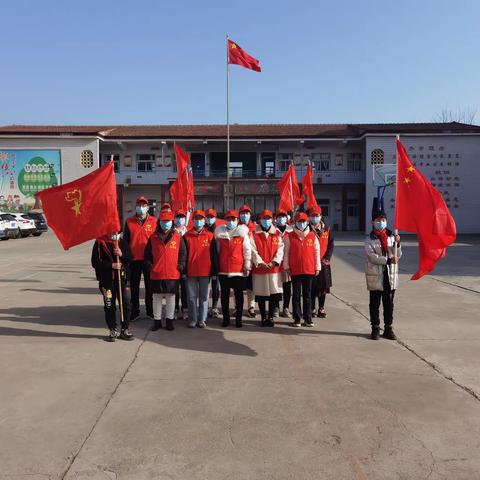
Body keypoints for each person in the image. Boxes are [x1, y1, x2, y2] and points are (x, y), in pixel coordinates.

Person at [144, 210, 187, 331]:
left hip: (172, 273)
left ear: (172, 222)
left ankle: (169, 321)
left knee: (170, 298)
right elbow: (147, 254)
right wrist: (149, 265)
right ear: (159, 222)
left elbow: (183, 253)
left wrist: (181, 266)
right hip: (156, 273)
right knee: (156, 298)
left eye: (168, 221)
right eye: (163, 221)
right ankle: (157, 321)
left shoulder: (178, 237)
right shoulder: (153, 237)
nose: (166, 223)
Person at [365, 210, 402, 340]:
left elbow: (397, 255)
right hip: (376, 275)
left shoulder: (392, 236)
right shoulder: (370, 239)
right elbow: (371, 257)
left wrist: (398, 244)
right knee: (374, 304)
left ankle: (388, 328)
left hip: (390, 275)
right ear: (373, 222)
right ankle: (375, 328)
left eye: (383, 220)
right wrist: (387, 260)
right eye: (378, 220)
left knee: (389, 304)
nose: (381, 223)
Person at [91, 232, 134, 342]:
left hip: (122, 280)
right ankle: (112, 329)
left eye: (117, 231)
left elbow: (130, 258)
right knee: (109, 305)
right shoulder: (100, 243)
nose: (114, 234)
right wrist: (111, 265)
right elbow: (95, 262)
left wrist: (121, 255)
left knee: (126, 304)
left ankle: (125, 329)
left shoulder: (122, 242)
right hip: (107, 281)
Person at [215, 209, 252, 328]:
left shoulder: (242, 234)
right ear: (225, 220)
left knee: (239, 295)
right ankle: (226, 319)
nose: (231, 221)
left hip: (238, 270)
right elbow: (217, 251)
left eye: (233, 219)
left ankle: (238, 319)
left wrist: (247, 265)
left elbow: (247, 251)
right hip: (224, 270)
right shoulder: (219, 234)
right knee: (224, 296)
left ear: (237, 220)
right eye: (228, 219)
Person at [283, 212, 321, 327]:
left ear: (307, 222)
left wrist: (317, 267)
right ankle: (297, 318)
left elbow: (316, 252)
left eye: (304, 221)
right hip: (295, 270)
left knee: (308, 295)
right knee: (296, 295)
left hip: (309, 269)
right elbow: (286, 253)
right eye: (299, 221)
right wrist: (286, 266)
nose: (302, 223)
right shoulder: (290, 236)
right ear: (295, 222)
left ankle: (308, 318)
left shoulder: (312, 236)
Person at [123, 196, 157, 321]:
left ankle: (150, 311)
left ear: (148, 207)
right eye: (139, 205)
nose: (141, 208)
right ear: (135, 207)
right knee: (134, 287)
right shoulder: (129, 222)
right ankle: (135, 311)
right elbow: (125, 242)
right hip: (134, 260)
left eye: (144, 205)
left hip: (149, 260)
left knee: (150, 287)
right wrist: (126, 258)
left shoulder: (154, 221)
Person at [184, 210, 219, 328]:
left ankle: (202, 319)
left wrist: (214, 271)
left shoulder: (209, 236)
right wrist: (183, 271)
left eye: (201, 219)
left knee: (204, 297)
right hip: (191, 271)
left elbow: (214, 255)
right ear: (193, 220)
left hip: (205, 271)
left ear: (204, 221)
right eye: (196, 219)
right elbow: (183, 255)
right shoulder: (186, 236)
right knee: (192, 297)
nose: (198, 221)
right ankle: (193, 319)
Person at [250, 210, 284, 327]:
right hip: (260, 269)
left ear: (272, 219)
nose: (266, 220)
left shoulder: (277, 234)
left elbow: (280, 249)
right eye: (264, 218)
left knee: (273, 295)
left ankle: (270, 317)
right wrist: (260, 262)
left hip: (273, 270)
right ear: (260, 219)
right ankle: (263, 317)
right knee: (261, 295)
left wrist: (274, 261)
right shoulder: (254, 234)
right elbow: (252, 250)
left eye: (268, 218)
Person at [308, 206, 334, 318]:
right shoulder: (307, 229)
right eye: (313, 216)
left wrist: (327, 258)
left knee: (323, 287)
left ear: (321, 216)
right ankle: (312, 308)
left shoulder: (326, 229)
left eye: (317, 216)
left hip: (324, 263)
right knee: (312, 287)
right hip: (312, 263)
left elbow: (331, 245)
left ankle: (321, 308)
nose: (315, 218)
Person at [274, 209, 293, 318]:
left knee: (287, 286)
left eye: (283, 217)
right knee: (276, 286)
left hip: (287, 263)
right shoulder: (273, 231)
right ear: (276, 218)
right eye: (279, 217)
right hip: (276, 263)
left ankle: (285, 307)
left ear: (287, 218)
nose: (281, 219)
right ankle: (276, 307)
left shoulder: (291, 230)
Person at [239, 204, 256, 318]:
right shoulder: (236, 227)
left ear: (250, 215)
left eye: (247, 213)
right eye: (242, 213)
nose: (245, 215)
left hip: (252, 261)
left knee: (251, 286)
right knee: (238, 286)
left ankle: (251, 307)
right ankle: (237, 307)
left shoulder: (255, 228)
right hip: (239, 261)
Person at [205, 208, 221, 319]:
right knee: (205, 288)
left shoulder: (219, 231)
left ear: (215, 218)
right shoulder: (202, 229)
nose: (209, 219)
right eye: (208, 217)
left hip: (216, 263)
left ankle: (214, 307)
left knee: (215, 286)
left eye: (212, 217)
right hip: (204, 263)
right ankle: (204, 307)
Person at [174, 209, 188, 321]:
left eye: (182, 217)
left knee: (185, 289)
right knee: (174, 289)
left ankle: (185, 309)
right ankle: (175, 310)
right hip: (173, 266)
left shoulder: (188, 233)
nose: (180, 219)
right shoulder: (171, 232)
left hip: (184, 266)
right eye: (178, 217)